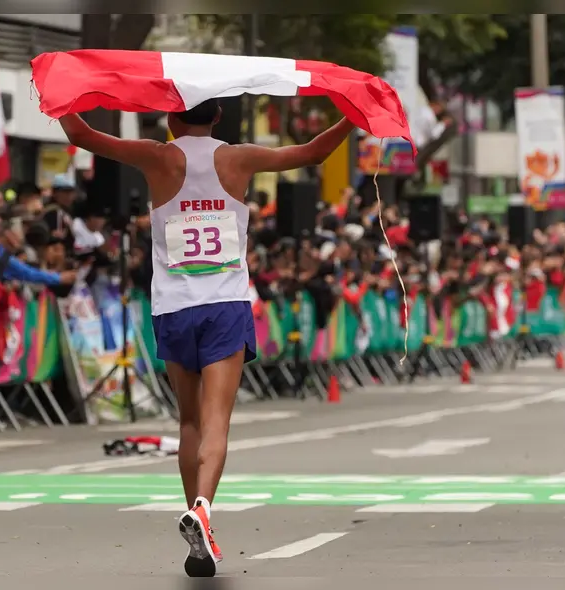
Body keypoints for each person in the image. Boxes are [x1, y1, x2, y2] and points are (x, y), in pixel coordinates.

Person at [59, 99, 354, 578]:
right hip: (225, 305)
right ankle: (202, 509)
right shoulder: (240, 158)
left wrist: (60, 97)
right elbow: (314, 152)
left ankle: (199, 535)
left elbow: (83, 137)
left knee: (189, 423)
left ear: (172, 119)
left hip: (174, 307)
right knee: (217, 423)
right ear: (217, 117)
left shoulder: (157, 155)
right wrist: (354, 115)